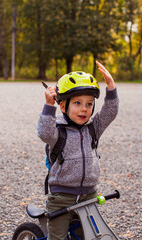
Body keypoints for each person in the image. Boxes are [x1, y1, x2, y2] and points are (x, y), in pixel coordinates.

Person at [37, 61, 119, 240]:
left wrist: (111, 87)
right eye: (77, 103)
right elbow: (44, 133)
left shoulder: (93, 128)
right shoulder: (58, 131)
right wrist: (48, 106)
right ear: (63, 106)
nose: (84, 108)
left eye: (89, 104)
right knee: (57, 237)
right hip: (61, 198)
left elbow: (110, 112)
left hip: (88, 196)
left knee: (88, 236)